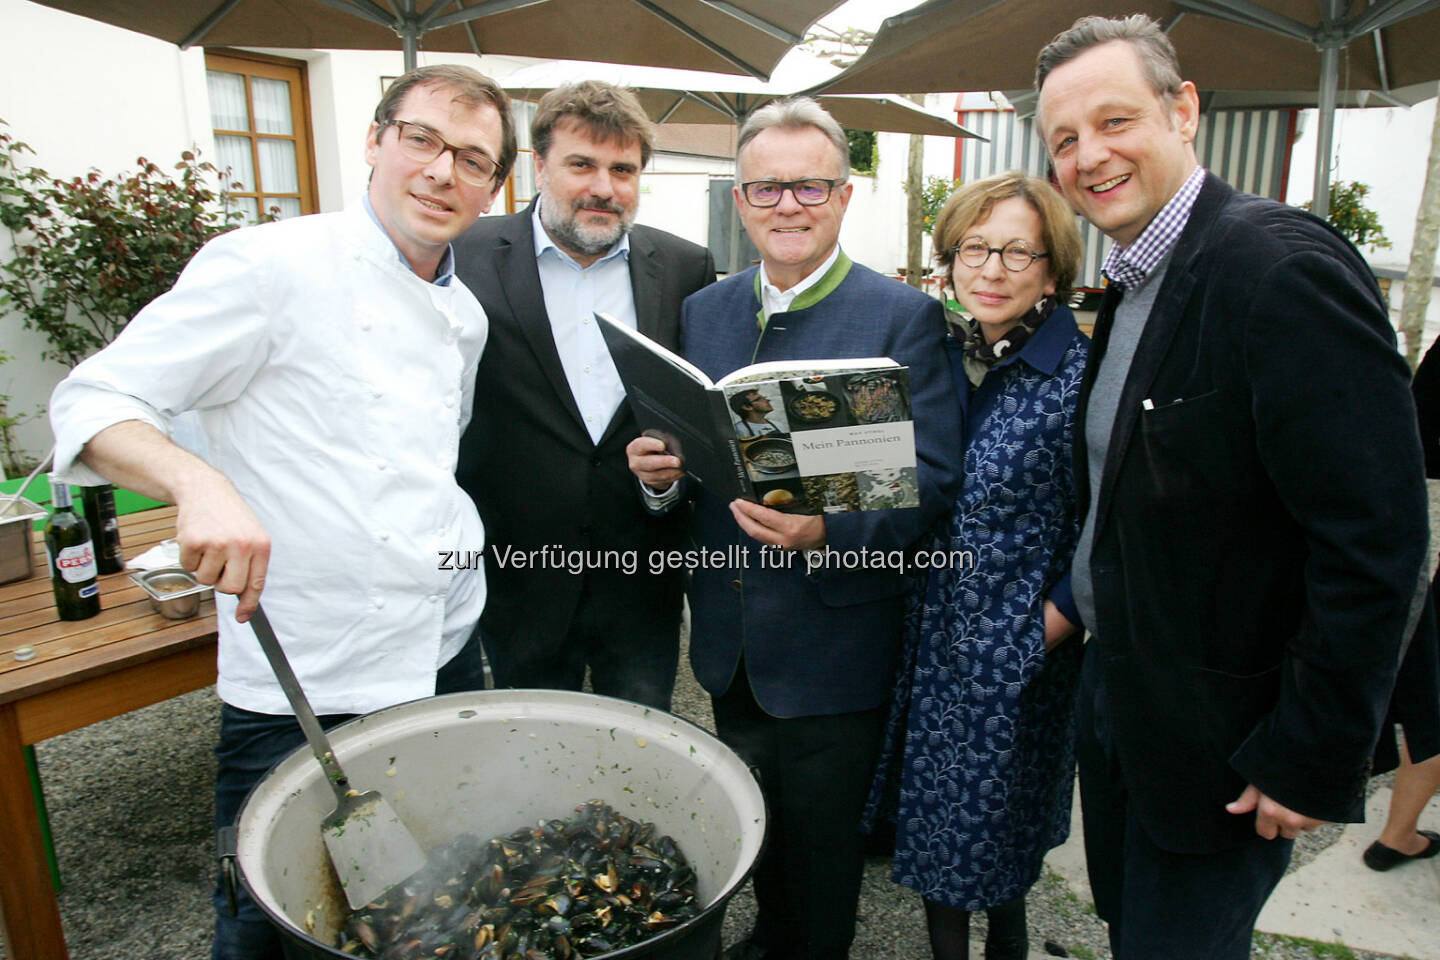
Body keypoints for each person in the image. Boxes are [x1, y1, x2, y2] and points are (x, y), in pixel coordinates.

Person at [47, 64, 516, 960]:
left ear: (492, 188)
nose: (440, 170)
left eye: (470, 158)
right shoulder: (267, 265)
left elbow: (427, 464)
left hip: (446, 649)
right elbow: (92, 399)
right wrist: (197, 483)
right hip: (305, 670)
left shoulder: (463, 314)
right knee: (271, 919)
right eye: (420, 139)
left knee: (431, 899)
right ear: (375, 141)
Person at [1033, 15, 1434, 959]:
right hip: (1126, 697)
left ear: (1184, 112)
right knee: (1137, 933)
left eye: (1114, 120)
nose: (1090, 155)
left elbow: (1376, 541)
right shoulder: (1133, 278)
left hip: (1226, 737)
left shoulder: (1277, 266)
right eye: (1064, 139)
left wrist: (1309, 754)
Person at [627, 97, 962, 960]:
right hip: (732, 637)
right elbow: (697, 450)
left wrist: (829, 535)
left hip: (834, 637)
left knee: (821, 845)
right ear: (739, 201)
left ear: (844, 196)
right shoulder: (705, 311)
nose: (788, 206)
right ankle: (773, 936)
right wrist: (661, 478)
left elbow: (934, 483)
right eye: (767, 188)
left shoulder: (902, 318)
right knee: (757, 816)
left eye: (810, 186)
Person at [864, 172, 1088, 960]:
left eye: (1016, 252)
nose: (991, 269)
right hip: (934, 646)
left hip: (1018, 652)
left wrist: (1044, 633)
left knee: (993, 837)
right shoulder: (949, 359)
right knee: (940, 843)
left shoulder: (1075, 379)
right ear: (950, 262)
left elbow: (1108, 528)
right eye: (974, 249)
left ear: (1051, 270)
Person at [453, 81, 714, 710]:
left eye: (623, 169)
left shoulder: (685, 267)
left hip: (644, 571)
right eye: (582, 164)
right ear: (538, 166)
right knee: (531, 744)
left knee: (643, 746)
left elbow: (695, 408)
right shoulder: (465, 255)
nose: (604, 186)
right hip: (519, 569)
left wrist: (669, 481)